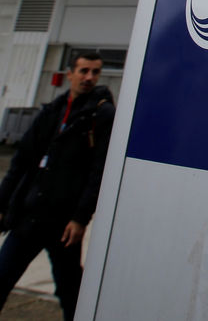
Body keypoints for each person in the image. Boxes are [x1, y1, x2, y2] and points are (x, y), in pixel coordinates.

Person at [0, 52, 115, 320]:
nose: (89, 77)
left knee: (70, 291)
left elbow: (98, 172)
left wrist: (80, 218)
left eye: (95, 72)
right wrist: (3, 204)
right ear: (70, 74)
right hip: (28, 218)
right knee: (3, 277)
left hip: (63, 224)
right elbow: (21, 162)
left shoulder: (100, 115)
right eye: (84, 71)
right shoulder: (52, 111)